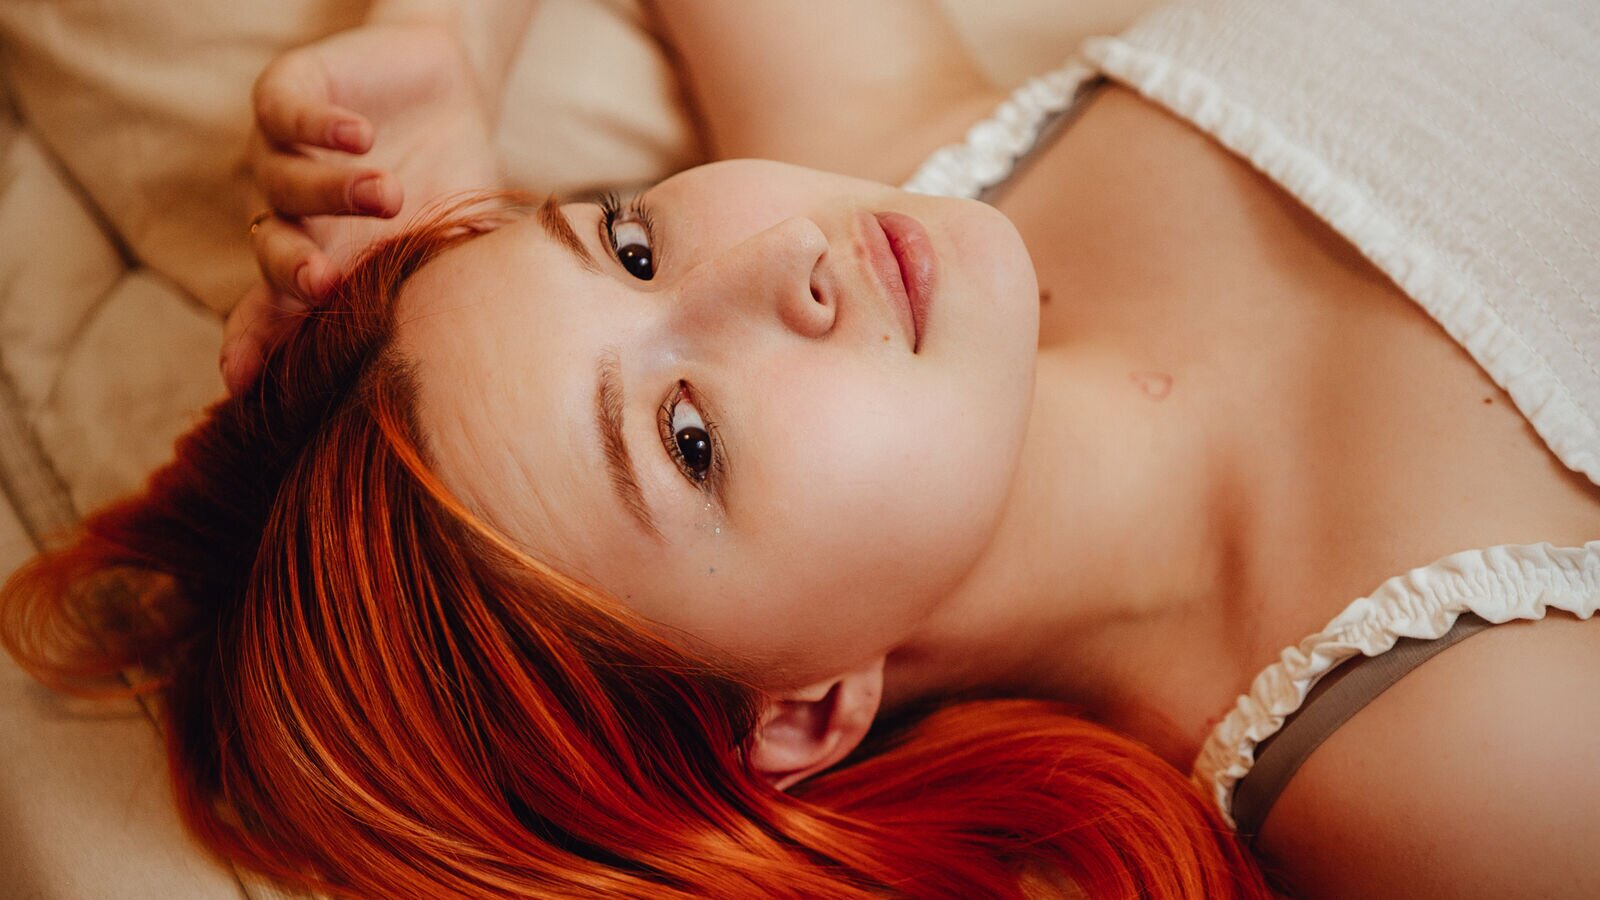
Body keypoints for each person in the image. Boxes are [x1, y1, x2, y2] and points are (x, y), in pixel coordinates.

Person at [7, 0, 1599, 897]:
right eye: (690, 440)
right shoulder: (1460, 756)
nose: (783, 263)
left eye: (630, 245)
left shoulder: (919, 168)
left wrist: (441, 46)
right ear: (798, 713)